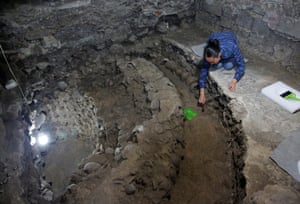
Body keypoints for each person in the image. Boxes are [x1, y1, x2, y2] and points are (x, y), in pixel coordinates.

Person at [198, 32, 245, 105]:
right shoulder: (209, 51)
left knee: (228, 66)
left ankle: (226, 61)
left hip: (230, 37)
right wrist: (202, 93)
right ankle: (219, 62)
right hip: (215, 36)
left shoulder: (231, 47)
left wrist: (234, 81)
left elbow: (242, 65)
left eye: (212, 61)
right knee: (216, 66)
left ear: (219, 55)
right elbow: (204, 71)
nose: (210, 64)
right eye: (209, 61)